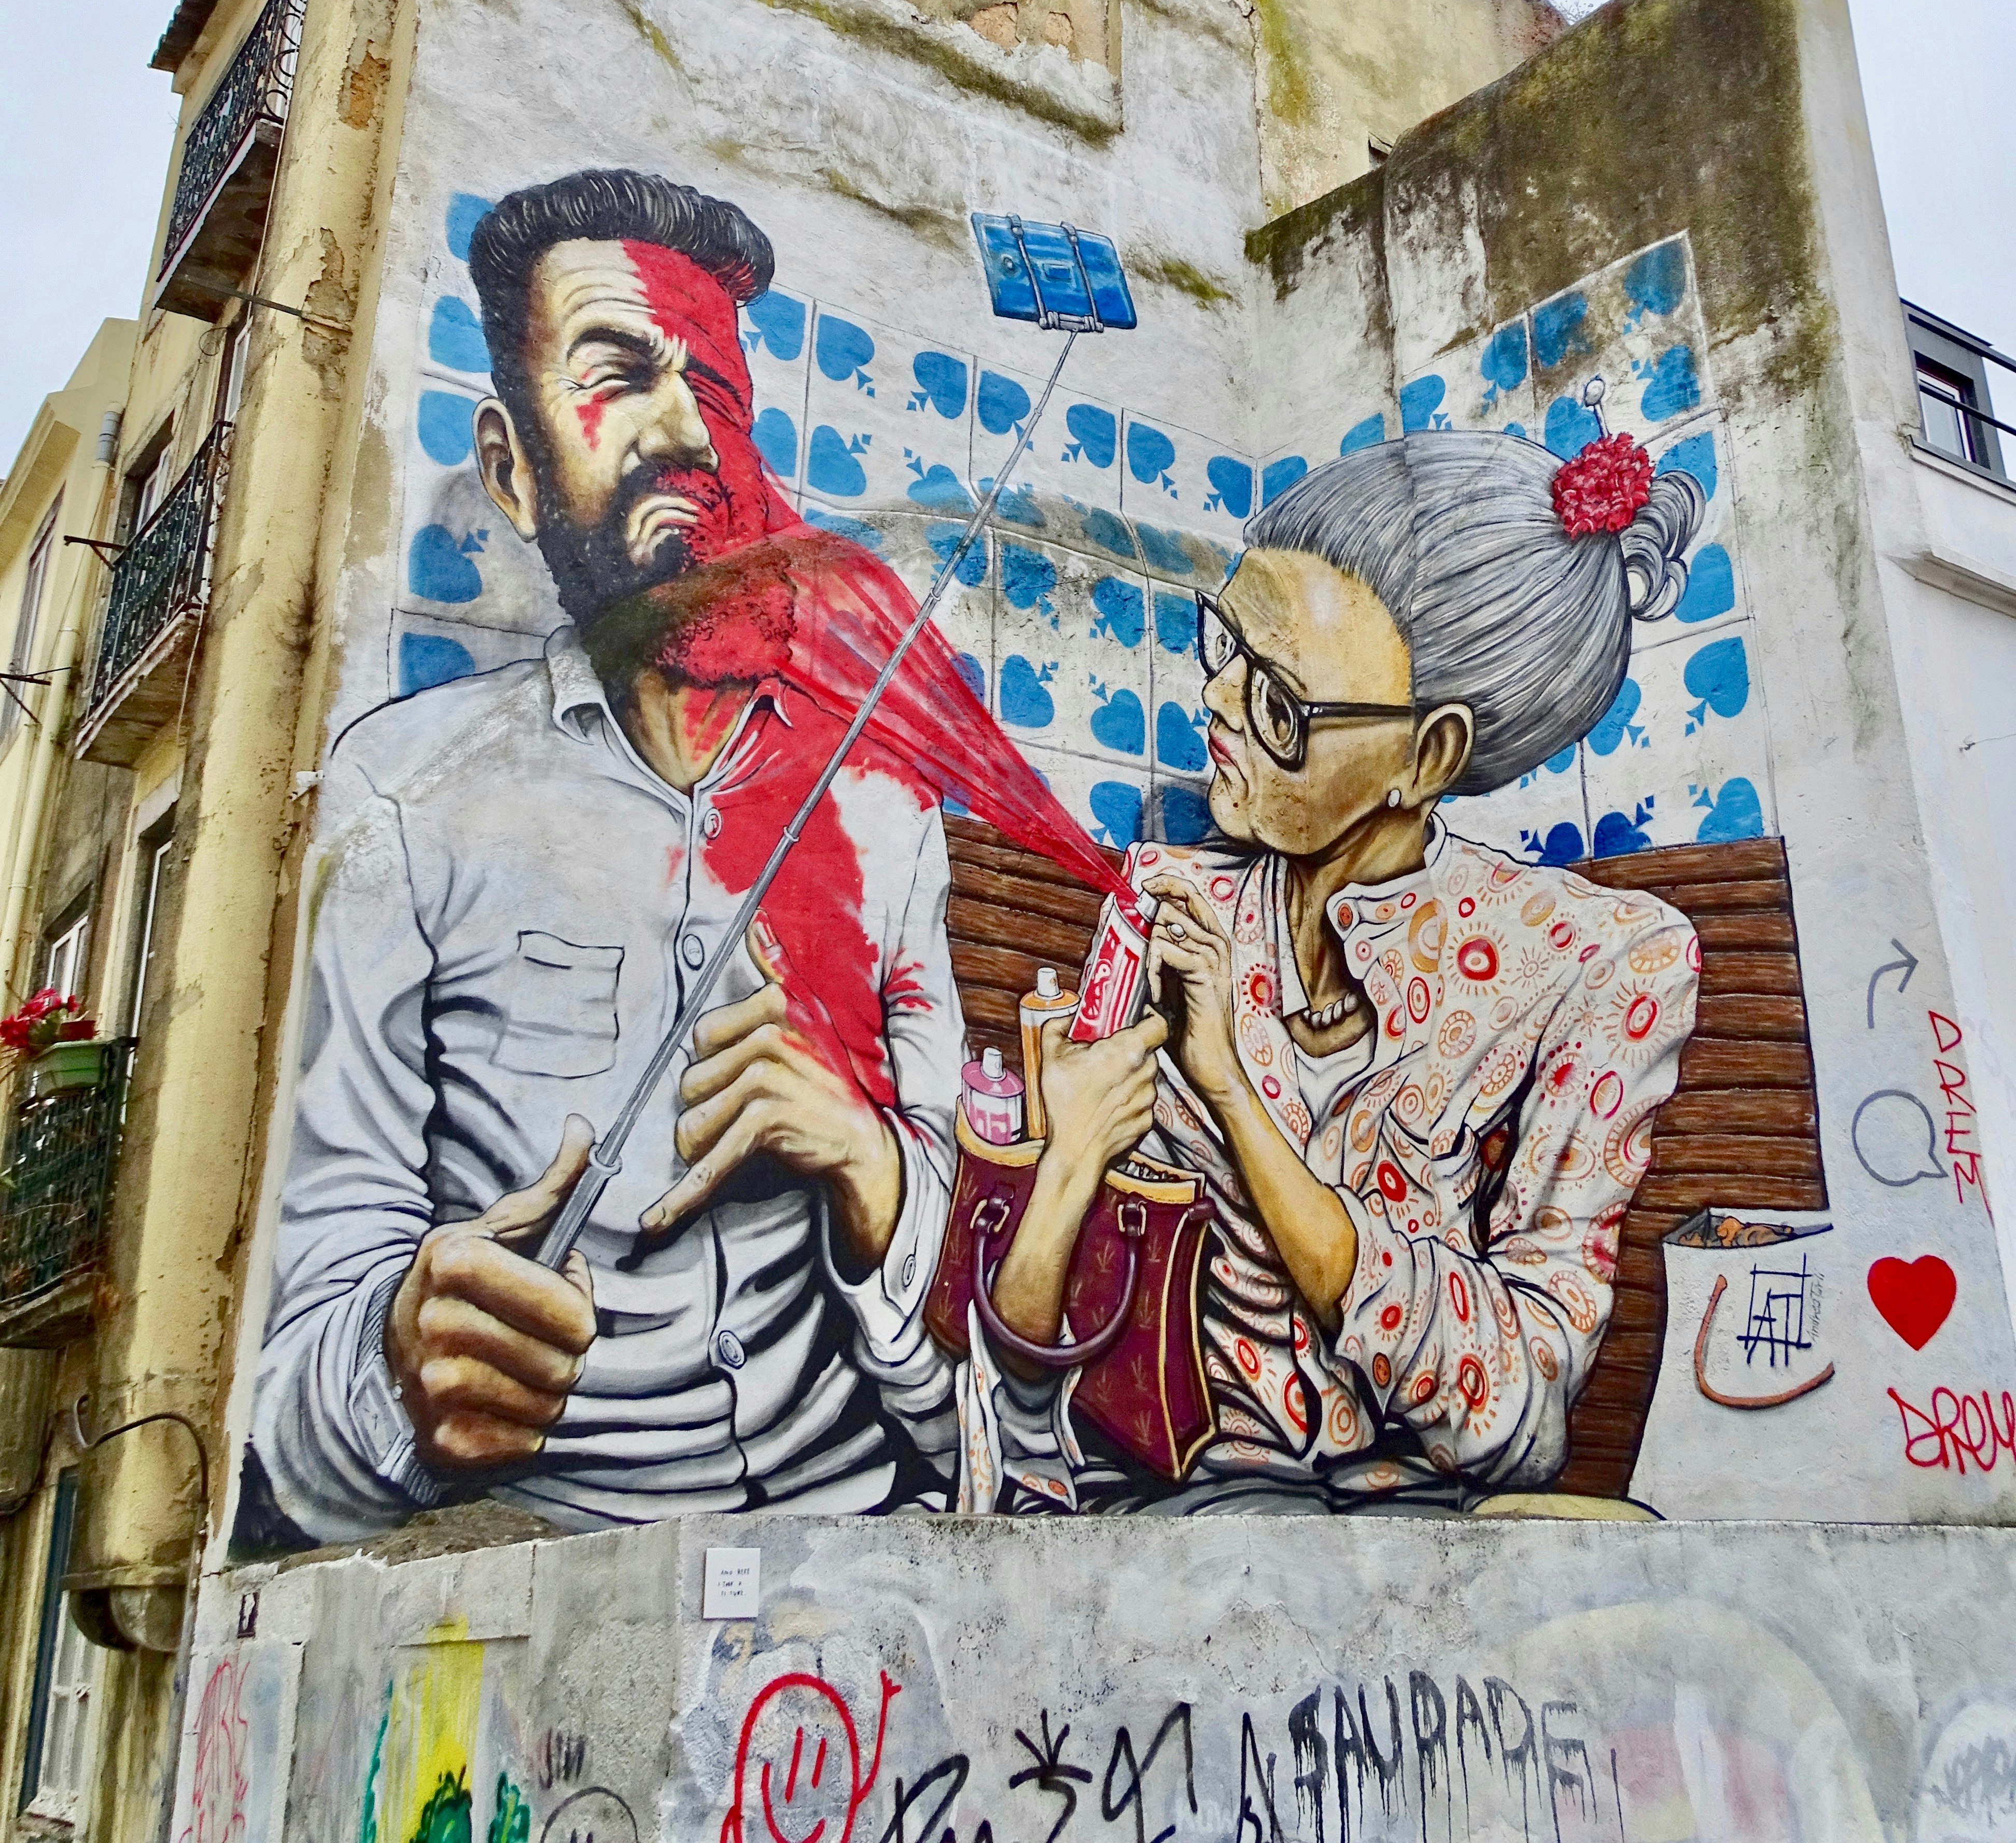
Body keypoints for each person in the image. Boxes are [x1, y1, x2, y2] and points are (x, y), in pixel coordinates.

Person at [248, 169, 1111, 1542]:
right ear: (511, 467)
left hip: (861, 1549)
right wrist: (399, 1372)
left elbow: (985, 1357)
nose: (682, 434)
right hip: (543, 1577)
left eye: (715, 391)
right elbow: (292, 1380)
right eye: (612, 378)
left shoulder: (879, 810)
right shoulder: (408, 795)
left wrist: (871, 1167)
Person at [961, 426, 1707, 1513]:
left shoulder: (1594, 964)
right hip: (1171, 1500)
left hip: (1423, 1531)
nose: (1215, 708)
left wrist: (1230, 1093)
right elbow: (1046, 1325)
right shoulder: (1171, 901)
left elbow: (1528, 1403)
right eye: (1224, 650)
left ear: (1428, 758)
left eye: (1278, 704)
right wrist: (1064, 1149)